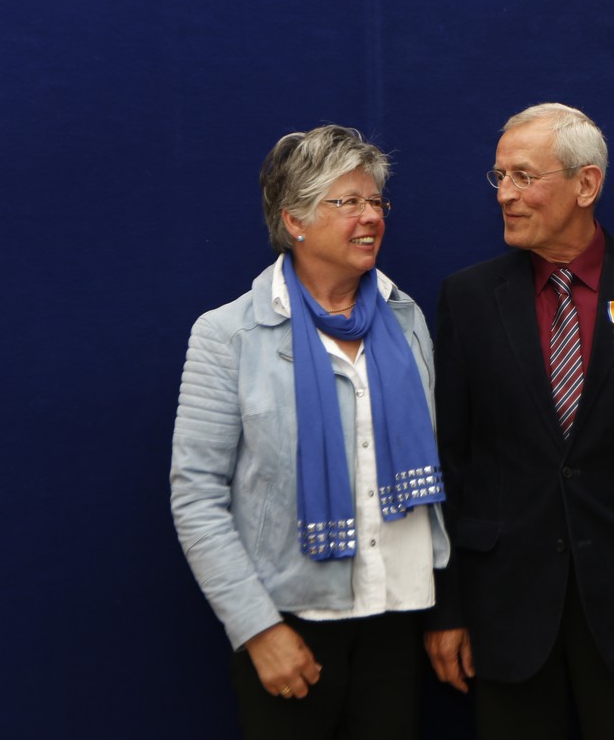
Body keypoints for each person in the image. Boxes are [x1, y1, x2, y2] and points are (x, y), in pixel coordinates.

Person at [424, 103, 614, 739]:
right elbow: (449, 462)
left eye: (523, 176)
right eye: (499, 176)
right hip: (505, 611)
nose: (505, 194)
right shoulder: (467, 299)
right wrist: (446, 608)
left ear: (586, 184)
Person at [170, 124, 448, 739]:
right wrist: (258, 629)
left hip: (398, 618)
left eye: (375, 201)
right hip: (289, 626)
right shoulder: (229, 336)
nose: (370, 217)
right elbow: (196, 497)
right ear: (294, 220)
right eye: (348, 202)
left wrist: (447, 609)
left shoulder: (406, 320)